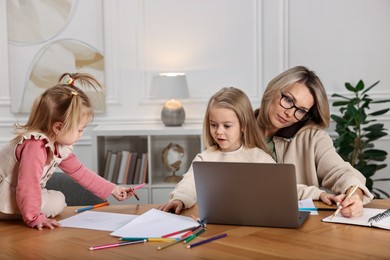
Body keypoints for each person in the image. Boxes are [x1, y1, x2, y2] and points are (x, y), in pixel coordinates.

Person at [0, 73, 136, 230]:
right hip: (5, 196)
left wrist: (113, 189)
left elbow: (80, 172)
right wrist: (34, 218)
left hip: (21, 194)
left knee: (58, 199)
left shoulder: (58, 145)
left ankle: (26, 210)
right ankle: (22, 212)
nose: (81, 134)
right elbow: (28, 184)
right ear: (58, 127)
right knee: (56, 202)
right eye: (79, 129)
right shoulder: (35, 146)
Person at [255, 66, 374, 218]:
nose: (290, 113)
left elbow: (342, 172)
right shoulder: (231, 130)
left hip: (300, 231)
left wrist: (354, 197)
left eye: (301, 110)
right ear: (273, 89)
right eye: (288, 99)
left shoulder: (313, 138)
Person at [158, 87, 275, 214]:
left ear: (244, 125)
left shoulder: (259, 157)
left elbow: (281, 186)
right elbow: (189, 184)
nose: (219, 131)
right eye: (213, 125)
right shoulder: (205, 158)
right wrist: (179, 199)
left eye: (227, 126)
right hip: (214, 222)